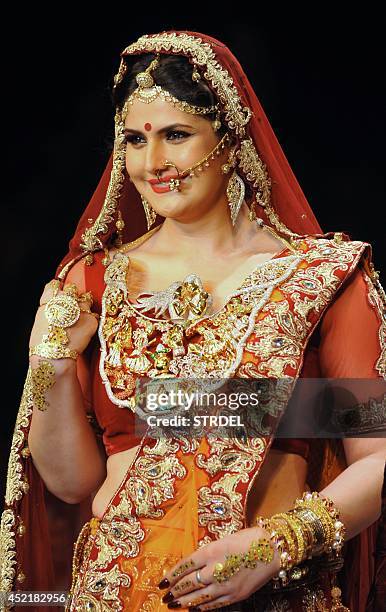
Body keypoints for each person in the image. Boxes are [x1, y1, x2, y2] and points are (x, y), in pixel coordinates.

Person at [1, 30, 385, 612]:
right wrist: (48, 365)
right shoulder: (94, 281)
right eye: (134, 140)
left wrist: (271, 547)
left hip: (272, 589)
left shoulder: (320, 277)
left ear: (231, 140)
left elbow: (377, 456)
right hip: (119, 592)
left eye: (176, 136)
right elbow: (72, 482)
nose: (153, 164)